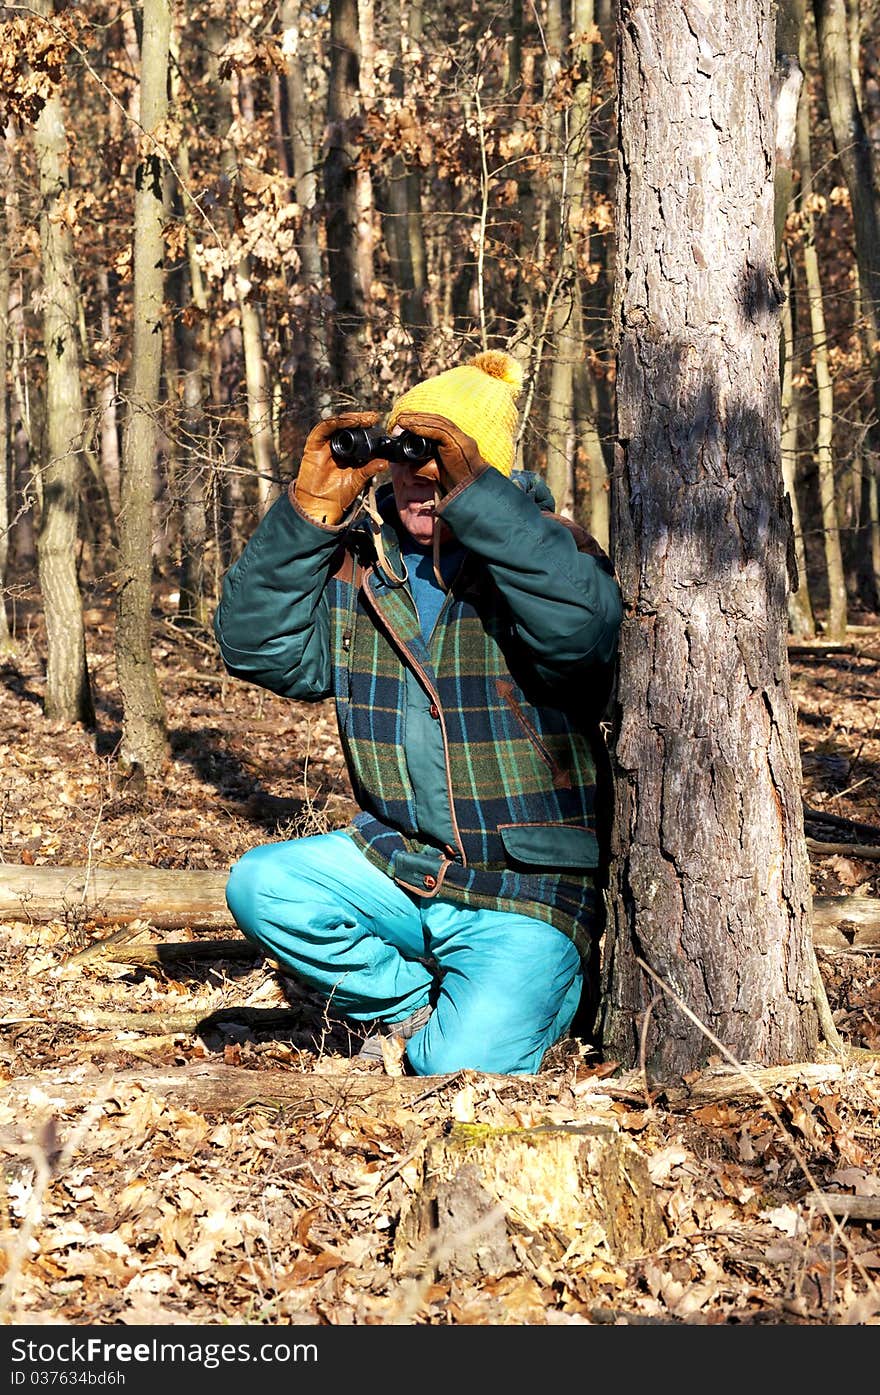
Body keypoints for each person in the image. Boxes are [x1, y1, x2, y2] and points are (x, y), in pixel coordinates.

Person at [213, 350, 623, 1075]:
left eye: (441, 462)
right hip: (400, 867)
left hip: (523, 891)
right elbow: (256, 647)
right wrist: (309, 515)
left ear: (480, 468)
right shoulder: (362, 566)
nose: (420, 481)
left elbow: (582, 634)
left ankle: (519, 998)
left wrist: (480, 501)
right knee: (263, 884)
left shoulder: (547, 552)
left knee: (452, 1069)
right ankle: (408, 1007)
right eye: (406, 460)